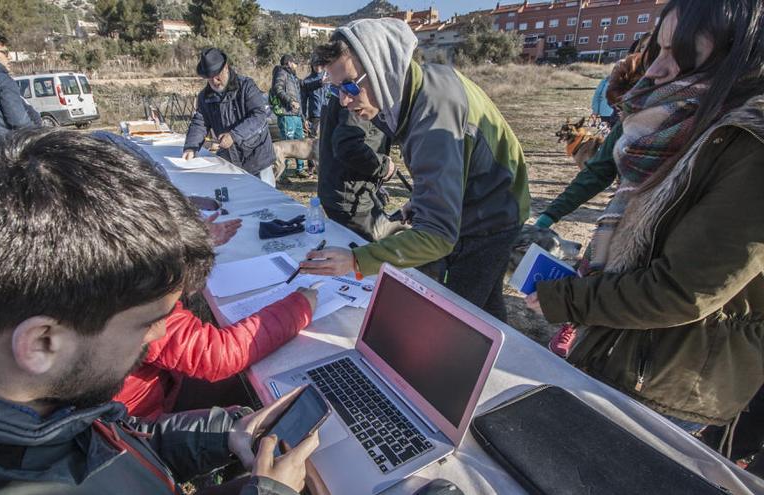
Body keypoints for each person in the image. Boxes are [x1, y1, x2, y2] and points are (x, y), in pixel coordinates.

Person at [0, 129, 318, 494]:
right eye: (147, 323)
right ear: (42, 343)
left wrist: (220, 435)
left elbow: (112, 439)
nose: (158, 336)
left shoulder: (41, 402)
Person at [527, 0, 764, 435]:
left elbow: (682, 290)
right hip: (620, 345)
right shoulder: (679, 124)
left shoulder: (748, 144)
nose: (654, 69)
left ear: (738, 53)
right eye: (659, 48)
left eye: (680, 53)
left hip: (666, 378)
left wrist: (571, 299)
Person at [300, 19, 530, 322]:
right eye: (335, 89)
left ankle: (463, 365)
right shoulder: (415, 89)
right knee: (485, 304)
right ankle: (500, 353)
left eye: (351, 85)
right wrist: (424, 197)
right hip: (485, 200)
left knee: (457, 316)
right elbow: (452, 165)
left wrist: (358, 260)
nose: (344, 100)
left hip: (491, 215)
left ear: (384, 69)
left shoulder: (433, 116)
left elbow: (438, 235)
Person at [116, 220, 318, 419]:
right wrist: (299, 309)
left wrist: (192, 241)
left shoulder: (120, 262)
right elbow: (217, 354)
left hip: (151, 393)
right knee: (268, 394)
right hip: (137, 424)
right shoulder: (134, 293)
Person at [534, 34, 651, 357]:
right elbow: (597, 172)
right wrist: (550, 214)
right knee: (592, 268)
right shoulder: (627, 123)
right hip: (617, 221)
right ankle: (573, 324)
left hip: (657, 230)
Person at [184, 48, 278, 187]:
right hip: (230, 159)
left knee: (266, 197)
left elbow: (259, 116)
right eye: (210, 79)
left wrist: (234, 136)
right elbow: (200, 122)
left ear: (226, 68)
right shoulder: (205, 96)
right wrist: (191, 147)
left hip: (257, 156)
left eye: (217, 76)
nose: (215, 81)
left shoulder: (246, 86)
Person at [317, 99, 405, 242]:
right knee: (366, 250)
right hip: (349, 198)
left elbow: (368, 135)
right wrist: (384, 167)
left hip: (350, 189)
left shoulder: (353, 90)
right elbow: (348, 146)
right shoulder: (358, 94)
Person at [270, 54, 307, 177]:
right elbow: (277, 88)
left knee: (300, 142)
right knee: (287, 144)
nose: (296, 66)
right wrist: (290, 101)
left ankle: (300, 170)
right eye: (295, 63)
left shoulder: (293, 77)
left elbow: (304, 88)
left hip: (296, 115)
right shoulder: (281, 72)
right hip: (286, 115)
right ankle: (283, 175)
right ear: (290, 63)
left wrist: (303, 118)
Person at [302, 60, 327, 139]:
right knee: (313, 141)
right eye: (315, 65)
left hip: (329, 114)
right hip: (315, 116)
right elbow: (303, 102)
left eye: (320, 64)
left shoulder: (331, 77)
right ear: (312, 66)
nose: (318, 67)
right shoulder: (306, 81)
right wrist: (304, 118)